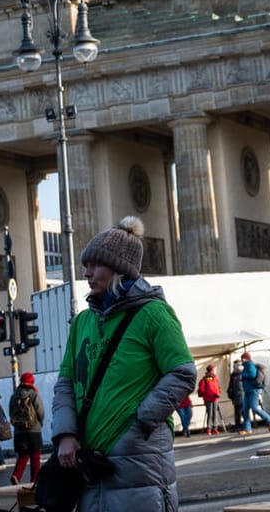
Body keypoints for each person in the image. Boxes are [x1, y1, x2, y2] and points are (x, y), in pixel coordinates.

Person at [50, 216, 194, 510]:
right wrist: (66, 434)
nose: (87, 273)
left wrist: (140, 420)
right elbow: (66, 382)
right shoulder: (82, 322)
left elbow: (182, 372)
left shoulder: (154, 314)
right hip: (90, 461)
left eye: (95, 265)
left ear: (119, 268)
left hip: (139, 457)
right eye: (86, 266)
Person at [8, 373, 45, 485]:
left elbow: (11, 412)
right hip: (33, 430)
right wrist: (40, 423)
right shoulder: (34, 394)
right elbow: (40, 411)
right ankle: (34, 479)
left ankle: (16, 475)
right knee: (35, 456)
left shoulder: (14, 395)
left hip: (19, 431)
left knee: (23, 455)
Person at [238, 351, 270, 434]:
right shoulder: (246, 366)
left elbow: (253, 374)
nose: (241, 361)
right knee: (245, 410)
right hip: (247, 391)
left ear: (245, 358)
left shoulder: (250, 365)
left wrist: (242, 376)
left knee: (254, 408)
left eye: (242, 359)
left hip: (253, 391)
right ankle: (247, 428)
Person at [197, 366, 222, 435]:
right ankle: (209, 428)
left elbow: (217, 387)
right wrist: (214, 393)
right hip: (209, 398)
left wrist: (219, 392)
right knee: (210, 413)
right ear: (211, 370)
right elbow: (209, 388)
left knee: (214, 413)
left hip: (215, 398)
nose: (215, 371)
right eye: (214, 369)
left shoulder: (215, 378)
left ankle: (214, 428)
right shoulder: (208, 378)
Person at [226, 359, 245, 433]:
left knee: (242, 411)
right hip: (236, 396)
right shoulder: (233, 375)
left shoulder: (242, 374)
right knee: (237, 412)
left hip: (241, 394)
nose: (235, 367)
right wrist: (230, 394)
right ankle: (238, 426)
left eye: (237, 365)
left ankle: (245, 425)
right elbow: (230, 386)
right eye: (235, 366)